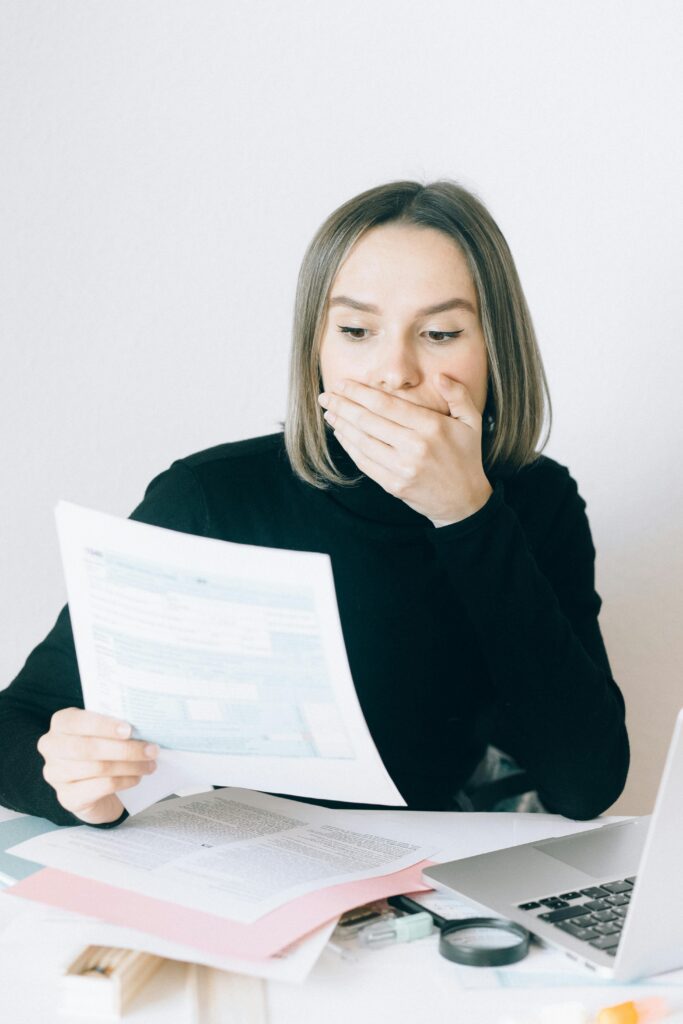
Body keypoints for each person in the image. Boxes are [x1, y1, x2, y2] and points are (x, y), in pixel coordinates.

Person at [0, 179, 629, 829]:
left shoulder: (535, 499)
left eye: (439, 334)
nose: (394, 371)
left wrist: (468, 515)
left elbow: (585, 786)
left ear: (494, 348)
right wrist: (75, 782)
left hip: (432, 882)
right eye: (356, 330)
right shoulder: (212, 498)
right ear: (316, 349)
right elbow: (13, 726)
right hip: (228, 866)